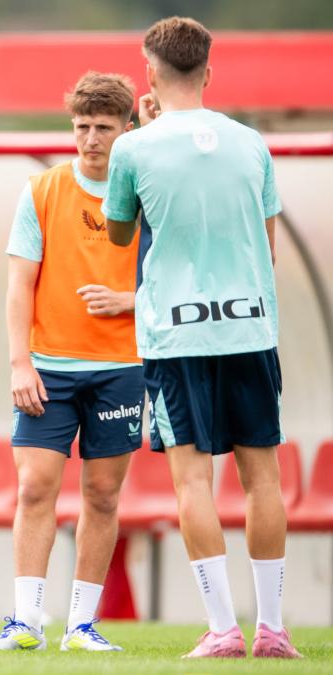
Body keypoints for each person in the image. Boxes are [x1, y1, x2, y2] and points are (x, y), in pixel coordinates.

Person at [105, 17, 300, 659]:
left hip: (176, 335)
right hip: (250, 327)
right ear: (209, 73)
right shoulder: (252, 145)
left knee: (194, 483)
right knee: (262, 480)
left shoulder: (135, 148)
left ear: (150, 76)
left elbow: (118, 235)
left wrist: (141, 130)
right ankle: (272, 629)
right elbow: (268, 250)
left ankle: (223, 631)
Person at [0, 72, 142, 653]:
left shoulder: (147, 197)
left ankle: (82, 626)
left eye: (103, 127)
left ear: (128, 129)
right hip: (48, 368)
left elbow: (175, 281)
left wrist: (131, 301)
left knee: (101, 494)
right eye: (81, 127)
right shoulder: (42, 190)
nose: (91, 138)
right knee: (35, 488)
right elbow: (19, 284)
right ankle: (25, 621)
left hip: (124, 366)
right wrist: (20, 364)